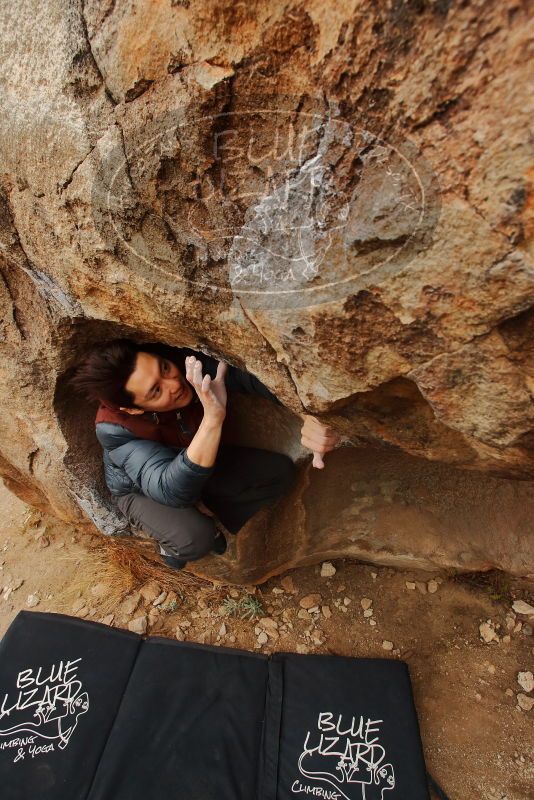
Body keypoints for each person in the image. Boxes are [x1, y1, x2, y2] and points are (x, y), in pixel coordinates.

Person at [68, 339, 342, 570]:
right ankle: (174, 543)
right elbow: (168, 489)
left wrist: (307, 413)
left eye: (164, 368)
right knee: (194, 540)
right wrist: (213, 418)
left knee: (277, 473)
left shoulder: (185, 366)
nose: (173, 383)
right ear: (133, 409)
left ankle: (207, 508)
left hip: (190, 460)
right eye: (155, 391)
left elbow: (249, 376)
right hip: (141, 490)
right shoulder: (115, 429)